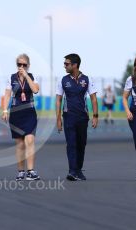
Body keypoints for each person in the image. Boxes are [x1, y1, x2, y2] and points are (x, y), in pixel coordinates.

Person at [56, 53, 98, 181]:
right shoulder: (63, 80)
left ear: (75, 65)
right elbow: (58, 100)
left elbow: (93, 99)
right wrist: (58, 119)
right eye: (64, 63)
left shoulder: (87, 79)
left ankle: (78, 170)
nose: (64, 66)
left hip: (83, 117)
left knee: (81, 144)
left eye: (67, 64)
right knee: (71, 144)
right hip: (68, 116)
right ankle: (72, 171)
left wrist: (95, 116)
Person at [2, 54, 40, 181]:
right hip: (16, 112)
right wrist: (5, 110)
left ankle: (31, 171)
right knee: (19, 144)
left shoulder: (33, 77)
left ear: (28, 65)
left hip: (29, 112)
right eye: (19, 64)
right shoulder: (11, 77)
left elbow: (35, 90)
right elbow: (7, 94)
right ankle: (20, 171)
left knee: (30, 140)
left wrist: (27, 76)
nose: (21, 67)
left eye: (24, 65)